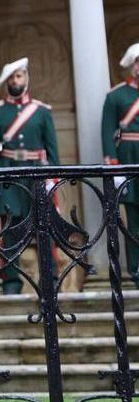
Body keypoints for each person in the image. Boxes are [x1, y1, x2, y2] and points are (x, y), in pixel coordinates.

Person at [0, 57, 60, 295]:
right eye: (12, 78)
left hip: (37, 173)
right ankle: (11, 282)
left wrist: (52, 179)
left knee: (44, 227)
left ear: (26, 78)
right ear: (7, 82)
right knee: (11, 230)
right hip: (9, 176)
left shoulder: (42, 111)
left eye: (20, 76)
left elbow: (53, 149)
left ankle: (50, 278)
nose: (16, 81)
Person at [102, 42, 139, 282]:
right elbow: (107, 132)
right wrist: (114, 167)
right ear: (132, 66)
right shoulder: (116, 96)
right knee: (133, 221)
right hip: (129, 158)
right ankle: (137, 270)